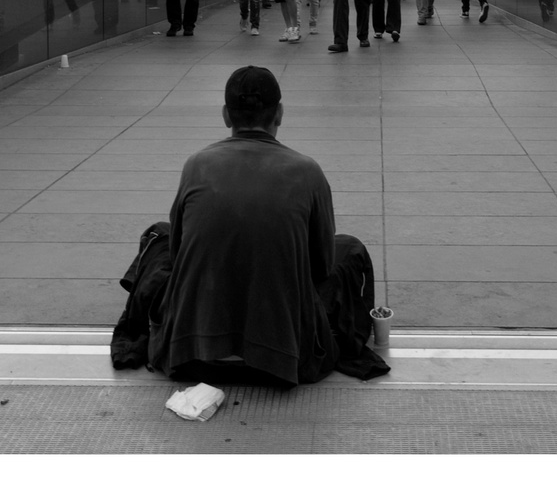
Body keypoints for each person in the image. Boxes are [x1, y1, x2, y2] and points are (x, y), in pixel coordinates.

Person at [142, 65, 387, 387]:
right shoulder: (307, 172)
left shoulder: (197, 165)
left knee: (159, 235)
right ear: (280, 113)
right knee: (349, 249)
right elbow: (322, 267)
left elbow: (177, 254)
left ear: (226, 115)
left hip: (192, 359)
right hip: (284, 362)